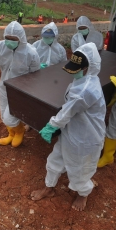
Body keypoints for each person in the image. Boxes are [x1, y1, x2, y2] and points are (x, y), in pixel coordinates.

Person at [31, 44, 106, 211]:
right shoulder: (83, 79)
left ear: (88, 67)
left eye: (78, 69)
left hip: (85, 138)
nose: (74, 72)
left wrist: (51, 125)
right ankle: (49, 188)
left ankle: (83, 193)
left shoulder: (87, 89)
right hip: (71, 131)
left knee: (80, 170)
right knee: (54, 160)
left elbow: (67, 111)